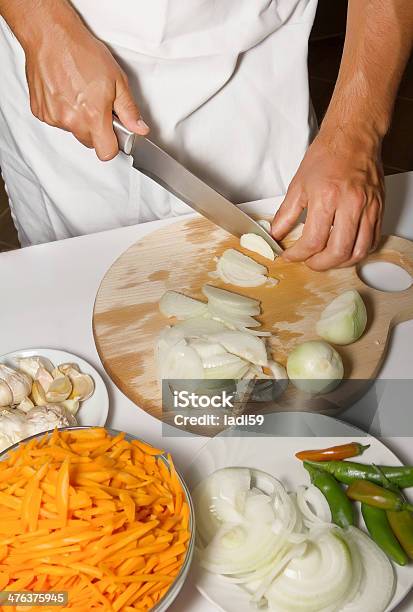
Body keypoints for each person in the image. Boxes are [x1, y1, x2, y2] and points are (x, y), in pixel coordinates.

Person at [0, 1, 412, 271]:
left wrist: (355, 132)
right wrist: (42, 26)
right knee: (71, 303)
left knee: (281, 283)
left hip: (255, 71)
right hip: (59, 64)